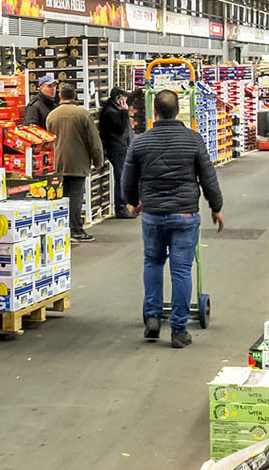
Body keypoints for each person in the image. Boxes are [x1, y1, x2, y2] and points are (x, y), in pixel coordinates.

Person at [122, 89, 225, 350]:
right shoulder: (193, 139)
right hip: (184, 214)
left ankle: (153, 318)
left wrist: (132, 202)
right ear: (178, 111)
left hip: (153, 214)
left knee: (153, 263)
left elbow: (128, 177)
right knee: (181, 270)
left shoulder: (140, 142)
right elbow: (208, 176)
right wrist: (216, 207)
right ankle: (179, 331)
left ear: (154, 111)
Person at [46, 86, 106, 242]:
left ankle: (62, 229)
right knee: (76, 197)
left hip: (59, 163)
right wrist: (98, 161)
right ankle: (76, 230)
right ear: (75, 96)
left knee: (62, 198)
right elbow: (94, 141)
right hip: (78, 162)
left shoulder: (52, 115)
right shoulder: (83, 115)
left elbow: (49, 140)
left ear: (60, 96)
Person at [98, 87, 135, 216]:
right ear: (117, 98)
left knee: (123, 177)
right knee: (121, 178)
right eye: (124, 97)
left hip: (122, 147)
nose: (126, 100)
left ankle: (124, 206)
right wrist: (124, 112)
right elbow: (121, 128)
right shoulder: (110, 112)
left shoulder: (114, 109)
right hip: (117, 149)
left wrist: (138, 92)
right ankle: (121, 208)